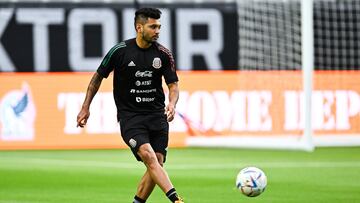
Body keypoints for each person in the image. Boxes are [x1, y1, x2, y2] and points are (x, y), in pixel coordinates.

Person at [76, 7, 184, 203]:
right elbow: (96, 78)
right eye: (153, 26)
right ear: (139, 27)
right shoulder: (120, 52)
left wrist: (172, 102)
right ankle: (176, 199)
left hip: (157, 117)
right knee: (149, 157)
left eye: (159, 26)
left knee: (157, 163)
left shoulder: (163, 54)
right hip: (131, 118)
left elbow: (173, 84)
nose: (158, 30)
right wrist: (85, 107)